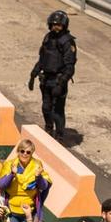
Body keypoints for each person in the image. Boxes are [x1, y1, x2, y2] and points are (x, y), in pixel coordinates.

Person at [29, 12, 78, 142]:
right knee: (46, 108)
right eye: (54, 24)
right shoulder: (48, 38)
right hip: (46, 79)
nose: (56, 27)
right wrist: (33, 73)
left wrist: (61, 83)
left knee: (57, 111)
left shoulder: (67, 42)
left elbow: (70, 67)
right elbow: (43, 58)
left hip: (58, 80)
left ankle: (60, 137)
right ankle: (49, 130)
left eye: (59, 25)